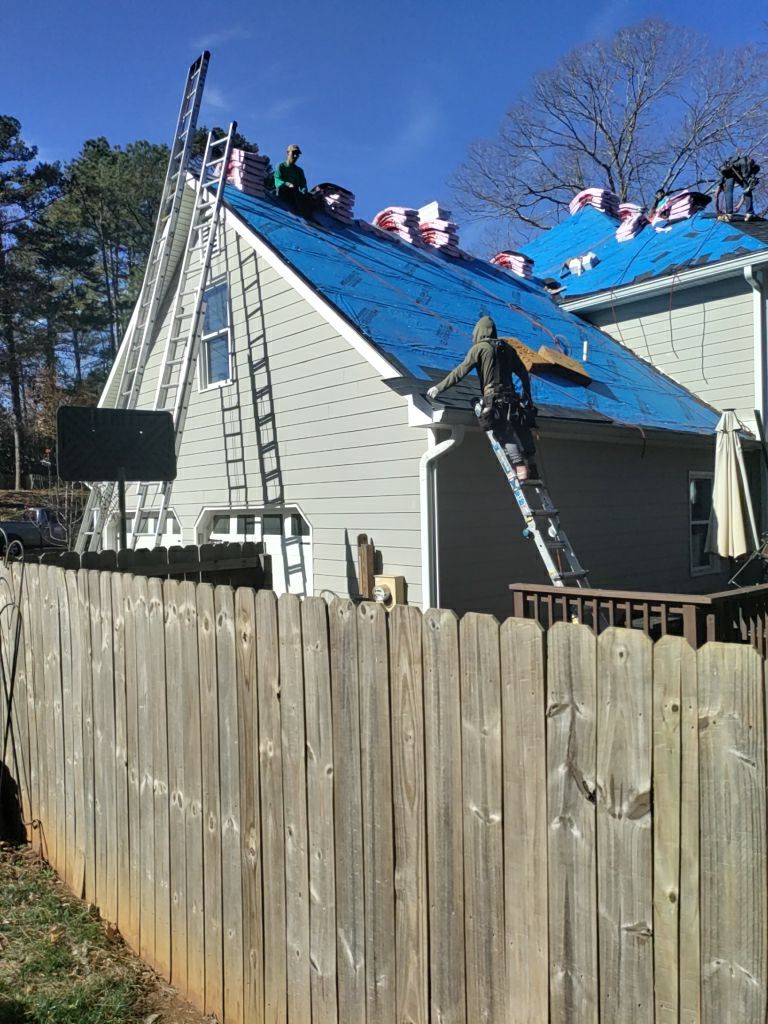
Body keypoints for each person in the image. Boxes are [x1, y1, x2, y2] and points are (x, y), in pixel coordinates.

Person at [427, 315, 537, 481]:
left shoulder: (480, 348)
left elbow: (460, 371)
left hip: (495, 399)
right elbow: (523, 373)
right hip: (513, 399)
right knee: (522, 432)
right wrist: (528, 398)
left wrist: (438, 388)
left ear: (479, 332)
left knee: (504, 434)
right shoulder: (508, 349)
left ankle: (520, 468)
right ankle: (533, 468)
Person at [274, 144, 322, 222]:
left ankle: (310, 215)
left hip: (295, 193)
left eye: (297, 154)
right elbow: (277, 179)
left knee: (310, 197)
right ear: (288, 153)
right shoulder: (281, 166)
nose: (295, 156)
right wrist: (287, 184)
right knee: (291, 193)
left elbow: (303, 184)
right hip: (283, 192)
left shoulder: (299, 171)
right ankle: (305, 215)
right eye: (294, 153)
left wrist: (304, 190)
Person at [717, 154, 760, 221]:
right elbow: (745, 192)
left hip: (738, 168)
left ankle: (729, 215)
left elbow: (716, 195)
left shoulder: (724, 176)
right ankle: (749, 213)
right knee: (747, 189)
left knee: (728, 191)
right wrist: (738, 206)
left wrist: (718, 211)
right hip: (744, 167)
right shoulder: (739, 169)